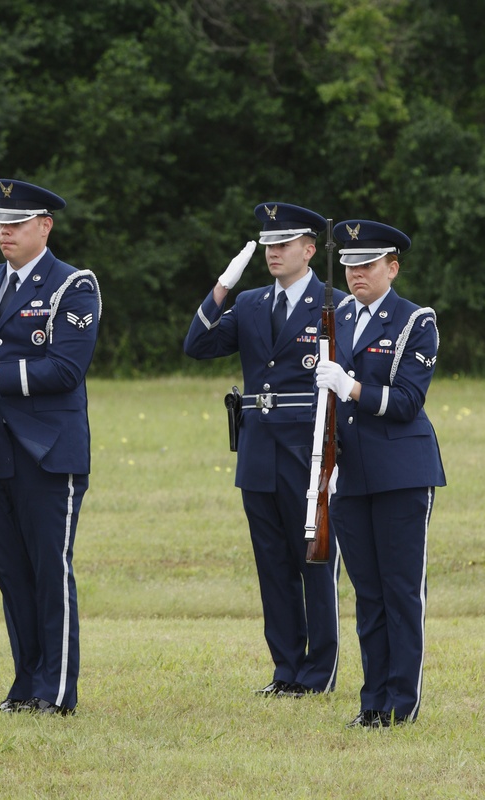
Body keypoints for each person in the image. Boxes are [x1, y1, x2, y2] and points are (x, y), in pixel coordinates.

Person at [0, 179, 101, 716]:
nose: (5, 232)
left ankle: (56, 692)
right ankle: (25, 686)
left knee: (48, 570)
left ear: (45, 226)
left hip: (48, 451)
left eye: (16, 223)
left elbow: (66, 367)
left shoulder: (73, 285)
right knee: (11, 572)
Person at [184, 203, 342, 698]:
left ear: (309, 249)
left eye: (285, 244)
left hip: (307, 448)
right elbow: (198, 345)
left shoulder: (331, 301)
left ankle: (319, 673)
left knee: (313, 562)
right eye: (269, 245)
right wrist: (222, 288)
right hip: (258, 450)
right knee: (272, 564)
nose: (274, 252)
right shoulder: (251, 303)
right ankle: (286, 670)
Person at [314, 220, 444, 728]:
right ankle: (373, 702)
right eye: (348, 266)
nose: (355, 274)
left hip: (401, 471)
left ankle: (402, 703)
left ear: (392, 267)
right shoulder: (338, 315)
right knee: (367, 592)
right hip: (351, 472)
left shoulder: (416, 321)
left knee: (400, 590)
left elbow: (408, 402)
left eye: (366, 265)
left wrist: (350, 388)